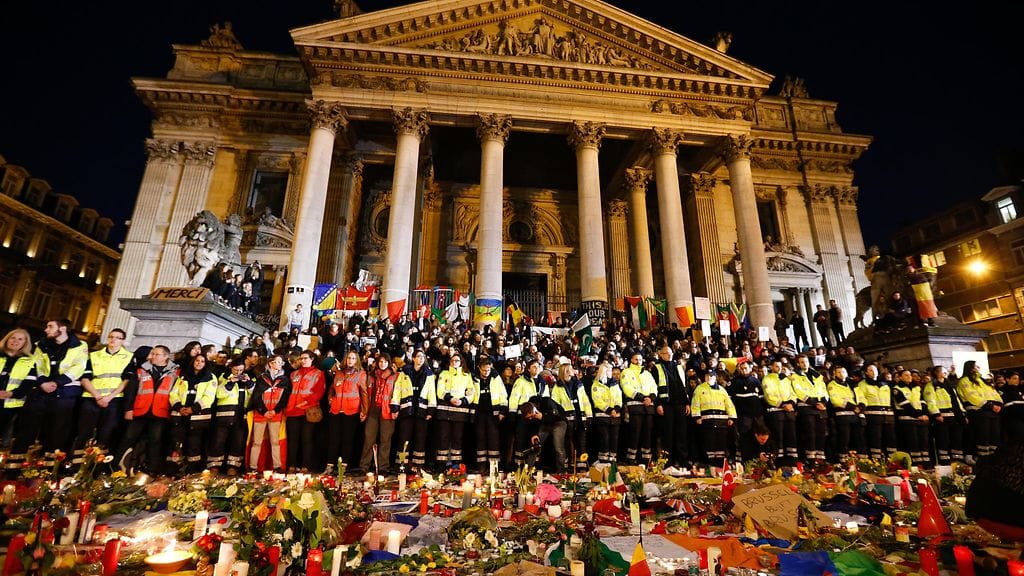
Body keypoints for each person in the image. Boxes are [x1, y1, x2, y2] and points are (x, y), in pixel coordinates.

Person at [24, 318, 89, 458]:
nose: (46, 329)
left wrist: (57, 383)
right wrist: (42, 382)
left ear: (63, 328)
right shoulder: (42, 344)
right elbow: (37, 365)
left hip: (65, 393)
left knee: (57, 430)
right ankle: (28, 463)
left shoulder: (80, 345)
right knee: (32, 428)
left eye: (50, 326)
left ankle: (50, 467)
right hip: (43, 391)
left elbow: (78, 367)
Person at [116, 346, 179, 474]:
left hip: (160, 412)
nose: (153, 357)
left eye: (156, 354)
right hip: (140, 410)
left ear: (166, 356)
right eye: (153, 354)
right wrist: (128, 409)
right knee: (128, 438)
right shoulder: (141, 370)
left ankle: (151, 470)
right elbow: (131, 391)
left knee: (155, 442)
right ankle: (116, 466)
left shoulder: (175, 372)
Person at [75, 329, 133, 457]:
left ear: (123, 340)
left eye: (118, 337)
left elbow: (126, 381)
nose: (113, 340)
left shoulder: (129, 357)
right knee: (84, 432)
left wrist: (108, 397)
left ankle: (98, 466)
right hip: (91, 397)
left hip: (114, 399)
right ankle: (76, 465)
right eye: (111, 337)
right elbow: (85, 378)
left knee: (106, 433)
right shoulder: (94, 355)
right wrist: (98, 396)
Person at [168, 354, 218, 473]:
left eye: (202, 361)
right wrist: (179, 407)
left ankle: (192, 472)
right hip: (180, 416)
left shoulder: (210, 377)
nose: (199, 363)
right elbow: (173, 393)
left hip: (198, 418)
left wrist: (193, 409)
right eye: (197, 361)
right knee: (176, 444)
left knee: (194, 445)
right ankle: (174, 471)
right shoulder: (183, 376)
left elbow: (208, 397)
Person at [390, 348, 436, 471]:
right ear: (414, 358)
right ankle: (402, 465)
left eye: (422, 357)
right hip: (407, 409)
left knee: (420, 438)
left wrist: (431, 410)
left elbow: (432, 392)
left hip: (422, 410)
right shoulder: (404, 372)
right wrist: (394, 407)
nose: (421, 359)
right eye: (418, 356)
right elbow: (397, 390)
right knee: (404, 438)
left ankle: (418, 466)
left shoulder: (429, 374)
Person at [208, 356, 252, 474]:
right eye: (236, 370)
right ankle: (214, 466)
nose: (238, 373)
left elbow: (254, 395)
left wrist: (249, 383)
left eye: (241, 370)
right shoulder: (223, 377)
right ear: (231, 368)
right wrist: (230, 383)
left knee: (238, 442)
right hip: (224, 415)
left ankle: (233, 467)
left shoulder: (248, 377)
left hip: (241, 415)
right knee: (218, 441)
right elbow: (219, 394)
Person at [0, 329, 37, 471]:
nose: (15, 341)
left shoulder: (30, 361)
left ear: (25, 343)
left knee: (6, 441)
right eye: (12, 338)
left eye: (20, 339)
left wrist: (10, 393)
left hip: (12, 406)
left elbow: (29, 384)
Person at [433, 352, 476, 470]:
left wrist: (463, 401)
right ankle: (441, 465)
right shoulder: (444, 373)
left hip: (460, 412)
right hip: (444, 411)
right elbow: (439, 389)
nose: (454, 363)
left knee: (457, 439)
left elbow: (471, 391)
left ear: (461, 362)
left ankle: (456, 466)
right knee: (443, 438)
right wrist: (449, 398)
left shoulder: (466, 375)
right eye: (452, 361)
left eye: (457, 360)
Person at [284, 350, 325, 472]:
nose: (303, 360)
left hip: (308, 410)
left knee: (307, 439)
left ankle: (305, 465)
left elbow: (318, 392)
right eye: (301, 358)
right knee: (293, 439)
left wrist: (305, 403)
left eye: (305, 358)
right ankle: (291, 465)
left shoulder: (318, 374)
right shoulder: (293, 374)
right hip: (292, 409)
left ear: (312, 359)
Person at [249, 354, 290, 472]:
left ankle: (277, 466)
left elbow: (285, 397)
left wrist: (275, 410)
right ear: (271, 363)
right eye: (277, 361)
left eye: (281, 362)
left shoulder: (284, 380)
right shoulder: (262, 378)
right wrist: (263, 411)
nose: (280, 364)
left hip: (275, 414)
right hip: (261, 414)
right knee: (257, 442)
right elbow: (256, 396)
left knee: (275, 441)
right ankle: (252, 467)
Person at [326, 351, 367, 470]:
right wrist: (330, 399)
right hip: (336, 410)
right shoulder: (338, 373)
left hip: (351, 410)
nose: (350, 360)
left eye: (353, 358)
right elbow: (332, 389)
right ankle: (330, 465)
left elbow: (364, 393)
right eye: (349, 358)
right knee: (333, 439)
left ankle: (344, 466)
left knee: (347, 439)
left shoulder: (361, 374)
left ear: (357, 361)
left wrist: (364, 410)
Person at [360, 353, 399, 474]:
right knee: (369, 439)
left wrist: (395, 409)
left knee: (385, 440)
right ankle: (364, 466)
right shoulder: (371, 376)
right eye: (380, 362)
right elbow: (366, 393)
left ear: (389, 363)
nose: (382, 364)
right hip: (372, 410)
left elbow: (396, 394)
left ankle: (383, 467)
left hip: (387, 411)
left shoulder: (395, 377)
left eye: (385, 362)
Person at [957, 360, 1003, 459]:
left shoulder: (982, 380)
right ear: (970, 368)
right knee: (983, 437)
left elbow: (993, 393)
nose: (978, 368)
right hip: (979, 412)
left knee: (995, 436)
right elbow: (972, 396)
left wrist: (999, 404)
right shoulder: (965, 381)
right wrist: (991, 406)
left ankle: (993, 458)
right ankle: (983, 459)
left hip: (993, 412)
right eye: (976, 366)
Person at [654, 345, 690, 468]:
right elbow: (654, 388)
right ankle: (667, 462)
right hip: (666, 405)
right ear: (661, 354)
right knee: (667, 434)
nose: (669, 355)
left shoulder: (679, 367)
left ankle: (682, 460)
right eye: (666, 353)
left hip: (680, 404)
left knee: (681, 434)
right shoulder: (657, 367)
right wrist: (658, 403)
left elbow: (684, 386)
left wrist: (687, 403)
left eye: (670, 353)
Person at [470, 356, 507, 474]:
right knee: (480, 439)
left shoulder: (496, 378)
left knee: (494, 440)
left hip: (493, 414)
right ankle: (481, 466)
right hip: (479, 413)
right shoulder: (473, 378)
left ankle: (493, 467)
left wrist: (502, 411)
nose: (486, 372)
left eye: (488, 370)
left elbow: (503, 395)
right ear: (479, 368)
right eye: (484, 370)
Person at [690, 370, 736, 464]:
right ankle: (709, 463)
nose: (709, 378)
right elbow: (695, 403)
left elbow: (728, 404)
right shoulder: (699, 389)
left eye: (712, 376)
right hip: (707, 420)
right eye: (707, 376)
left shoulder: (722, 389)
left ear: (716, 377)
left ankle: (719, 464)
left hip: (721, 420)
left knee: (721, 442)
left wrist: (731, 417)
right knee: (708, 442)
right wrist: (697, 416)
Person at [789, 355, 829, 463]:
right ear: (798, 364)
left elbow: (824, 390)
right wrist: (815, 403)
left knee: (821, 433)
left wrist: (824, 402)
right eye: (801, 362)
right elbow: (798, 391)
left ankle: (820, 458)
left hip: (820, 408)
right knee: (810, 433)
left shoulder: (817, 376)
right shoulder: (795, 376)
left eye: (806, 361)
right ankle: (810, 458)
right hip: (807, 408)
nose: (804, 364)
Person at [923, 365, 965, 464]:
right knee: (943, 439)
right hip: (942, 416)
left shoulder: (949, 385)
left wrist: (962, 413)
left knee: (956, 438)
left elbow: (956, 400)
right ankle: (944, 460)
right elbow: (930, 401)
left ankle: (957, 460)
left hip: (954, 416)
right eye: (943, 371)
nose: (945, 373)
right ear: (937, 373)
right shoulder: (931, 385)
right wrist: (936, 414)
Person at [621, 351, 657, 464]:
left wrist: (651, 398)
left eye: (640, 360)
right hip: (635, 407)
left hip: (648, 408)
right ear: (631, 360)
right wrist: (642, 398)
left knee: (648, 434)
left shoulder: (647, 373)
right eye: (636, 359)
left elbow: (654, 387)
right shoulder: (626, 372)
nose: (638, 362)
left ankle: (646, 459)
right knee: (634, 433)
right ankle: (631, 459)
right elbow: (626, 388)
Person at [509, 359, 545, 465]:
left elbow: (546, 398)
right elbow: (514, 397)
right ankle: (519, 465)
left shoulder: (542, 382)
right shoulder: (521, 381)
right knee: (521, 440)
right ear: (528, 369)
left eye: (538, 366)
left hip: (537, 416)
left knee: (534, 441)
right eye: (533, 366)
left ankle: (532, 466)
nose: (536, 368)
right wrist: (512, 413)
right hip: (523, 416)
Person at [762, 360, 798, 465]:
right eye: (776, 366)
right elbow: (769, 395)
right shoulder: (767, 379)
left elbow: (792, 393)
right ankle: (779, 462)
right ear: (772, 367)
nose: (779, 368)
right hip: (776, 412)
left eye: (780, 366)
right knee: (778, 437)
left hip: (789, 412)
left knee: (791, 437)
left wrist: (791, 403)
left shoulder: (786, 380)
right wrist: (783, 404)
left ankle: (792, 462)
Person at [858, 363, 897, 461]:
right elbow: (862, 398)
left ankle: (893, 461)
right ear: (866, 372)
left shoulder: (884, 383)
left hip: (887, 414)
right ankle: (877, 461)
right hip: (873, 414)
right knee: (876, 437)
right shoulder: (862, 384)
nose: (873, 371)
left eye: (875, 369)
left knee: (891, 438)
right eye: (870, 370)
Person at [727, 360, 764, 462]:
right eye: (742, 368)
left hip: (757, 415)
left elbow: (761, 398)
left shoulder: (756, 381)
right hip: (743, 416)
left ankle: (758, 459)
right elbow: (729, 400)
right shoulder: (734, 382)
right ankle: (745, 460)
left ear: (750, 368)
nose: (744, 370)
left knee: (758, 437)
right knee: (745, 437)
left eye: (746, 368)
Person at [893, 369, 930, 468]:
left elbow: (922, 402)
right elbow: (905, 405)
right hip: (907, 419)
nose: (909, 377)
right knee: (913, 443)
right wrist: (919, 415)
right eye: (905, 375)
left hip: (920, 419)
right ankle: (916, 465)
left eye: (909, 375)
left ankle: (925, 464)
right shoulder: (897, 389)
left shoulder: (917, 388)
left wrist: (925, 414)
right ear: (900, 377)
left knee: (924, 442)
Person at [589, 362, 623, 464]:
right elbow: (597, 400)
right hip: (602, 416)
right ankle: (603, 461)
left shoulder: (614, 384)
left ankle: (612, 461)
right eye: (607, 370)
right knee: (605, 439)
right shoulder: (596, 384)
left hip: (615, 416)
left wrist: (616, 409)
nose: (609, 372)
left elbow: (618, 397)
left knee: (614, 440)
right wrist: (609, 410)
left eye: (610, 370)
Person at [827, 366, 862, 457]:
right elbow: (835, 400)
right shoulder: (832, 385)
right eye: (838, 372)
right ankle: (843, 459)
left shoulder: (852, 384)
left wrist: (861, 406)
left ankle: (855, 460)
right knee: (844, 438)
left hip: (855, 415)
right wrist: (853, 407)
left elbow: (861, 397)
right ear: (834, 374)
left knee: (857, 438)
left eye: (843, 371)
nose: (841, 373)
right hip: (842, 415)